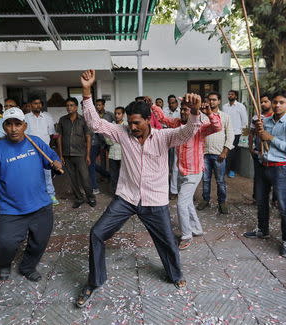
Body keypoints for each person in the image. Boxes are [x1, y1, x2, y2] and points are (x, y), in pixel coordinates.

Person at [76, 70, 202, 308]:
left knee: (166, 241)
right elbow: (94, 122)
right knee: (97, 233)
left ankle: (175, 275)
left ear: (147, 121)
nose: (131, 127)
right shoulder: (122, 132)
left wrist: (195, 112)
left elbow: (187, 133)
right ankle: (94, 281)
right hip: (126, 198)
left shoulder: (164, 136)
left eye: (137, 123)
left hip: (155, 201)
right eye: (130, 122)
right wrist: (86, 90)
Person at [0, 107, 62, 282]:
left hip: (41, 205)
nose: (13, 129)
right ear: (3, 127)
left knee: (39, 242)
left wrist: (55, 163)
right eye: (9, 124)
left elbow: (50, 158)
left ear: (24, 125)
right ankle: (3, 262)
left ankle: (27, 266)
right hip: (11, 210)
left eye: (17, 124)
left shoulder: (35, 142)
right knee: (5, 245)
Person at [151, 100, 222, 250]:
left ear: (194, 112)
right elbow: (163, 118)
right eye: (182, 109)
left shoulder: (200, 127)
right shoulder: (177, 123)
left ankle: (186, 236)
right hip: (181, 171)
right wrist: (153, 105)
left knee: (181, 203)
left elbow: (217, 126)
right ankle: (196, 229)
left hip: (194, 173)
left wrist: (209, 113)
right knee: (187, 202)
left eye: (187, 110)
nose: (183, 112)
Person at [243, 90, 286, 258]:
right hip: (263, 165)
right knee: (261, 201)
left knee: (283, 206)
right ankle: (262, 229)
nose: (277, 105)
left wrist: (270, 138)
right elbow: (258, 138)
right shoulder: (265, 121)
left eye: (281, 102)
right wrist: (258, 134)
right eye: (275, 102)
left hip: (281, 168)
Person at [197, 91, 234, 214]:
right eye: (209, 100)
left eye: (214, 99)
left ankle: (222, 202)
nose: (211, 102)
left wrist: (225, 151)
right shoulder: (202, 116)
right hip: (204, 153)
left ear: (219, 101)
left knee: (220, 180)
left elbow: (230, 135)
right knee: (206, 179)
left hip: (219, 154)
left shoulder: (225, 116)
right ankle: (205, 199)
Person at [56, 97, 96, 209]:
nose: (69, 107)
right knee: (72, 179)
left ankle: (91, 197)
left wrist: (88, 155)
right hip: (67, 154)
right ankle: (79, 198)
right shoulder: (62, 120)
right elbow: (59, 137)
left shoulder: (83, 120)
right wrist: (60, 155)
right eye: (67, 105)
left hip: (80, 154)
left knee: (85, 178)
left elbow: (88, 137)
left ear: (76, 107)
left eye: (71, 105)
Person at [24, 96, 58, 205]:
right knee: (32, 174)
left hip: (45, 150)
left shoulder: (47, 117)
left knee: (47, 174)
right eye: (35, 103)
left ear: (41, 105)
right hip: (31, 151)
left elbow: (51, 134)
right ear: (30, 105)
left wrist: (49, 149)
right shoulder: (25, 118)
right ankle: (35, 196)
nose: (37, 105)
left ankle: (51, 195)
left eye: (39, 103)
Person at [248, 93, 273, 202]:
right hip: (258, 151)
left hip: (273, 151)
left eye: (265, 101)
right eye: (261, 102)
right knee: (258, 176)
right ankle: (257, 198)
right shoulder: (256, 117)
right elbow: (251, 133)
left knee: (274, 176)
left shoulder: (275, 116)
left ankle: (275, 199)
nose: (263, 104)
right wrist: (250, 148)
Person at [88, 98, 114, 194]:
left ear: (103, 105)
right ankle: (97, 184)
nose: (98, 107)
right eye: (97, 105)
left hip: (109, 141)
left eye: (100, 105)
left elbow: (116, 124)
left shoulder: (110, 115)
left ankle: (111, 177)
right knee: (92, 162)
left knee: (112, 161)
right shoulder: (93, 116)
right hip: (96, 142)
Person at [222, 90, 248, 178]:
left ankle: (232, 170)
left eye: (232, 94)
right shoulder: (225, 106)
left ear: (236, 96)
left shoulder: (240, 106)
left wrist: (244, 136)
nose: (230, 96)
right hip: (226, 132)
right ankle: (225, 169)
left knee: (234, 153)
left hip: (237, 133)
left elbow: (245, 121)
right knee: (226, 151)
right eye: (229, 94)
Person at [163, 95, 181, 200]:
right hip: (167, 139)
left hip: (179, 139)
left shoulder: (181, 111)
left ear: (177, 103)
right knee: (166, 165)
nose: (171, 104)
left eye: (173, 102)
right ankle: (166, 188)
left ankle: (174, 190)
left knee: (176, 167)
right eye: (170, 102)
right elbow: (163, 123)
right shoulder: (165, 111)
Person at [105, 106, 126, 194]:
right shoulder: (111, 125)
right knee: (113, 175)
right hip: (113, 154)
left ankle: (123, 193)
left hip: (123, 155)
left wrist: (114, 138)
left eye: (119, 113)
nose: (117, 115)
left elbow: (126, 141)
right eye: (116, 113)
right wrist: (117, 139)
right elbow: (107, 140)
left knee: (123, 175)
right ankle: (115, 193)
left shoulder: (126, 126)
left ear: (123, 115)